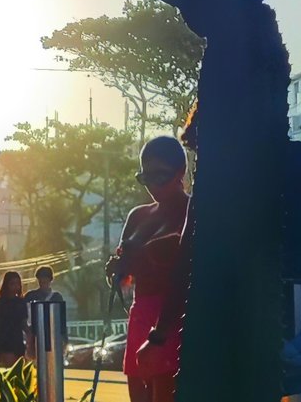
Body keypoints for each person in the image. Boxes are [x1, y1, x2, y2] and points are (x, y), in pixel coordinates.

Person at [105, 136, 189, 402]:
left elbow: (186, 272)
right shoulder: (138, 215)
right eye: (145, 177)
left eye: (160, 176)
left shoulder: (191, 211)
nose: (152, 185)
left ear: (180, 173)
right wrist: (117, 270)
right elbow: (124, 279)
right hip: (141, 313)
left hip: (174, 316)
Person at [0, 270, 28, 367]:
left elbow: (24, 323)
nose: (15, 287)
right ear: (6, 285)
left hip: (18, 341)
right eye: (12, 284)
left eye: (18, 284)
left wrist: (32, 338)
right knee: (10, 368)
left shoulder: (21, 302)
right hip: (5, 341)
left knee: (19, 371)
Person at [24, 265, 66, 359]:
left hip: (53, 335)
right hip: (35, 336)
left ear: (50, 280)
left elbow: (61, 320)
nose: (43, 282)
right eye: (40, 279)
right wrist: (28, 333)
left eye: (45, 279)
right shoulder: (30, 296)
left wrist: (64, 340)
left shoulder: (57, 297)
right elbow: (23, 316)